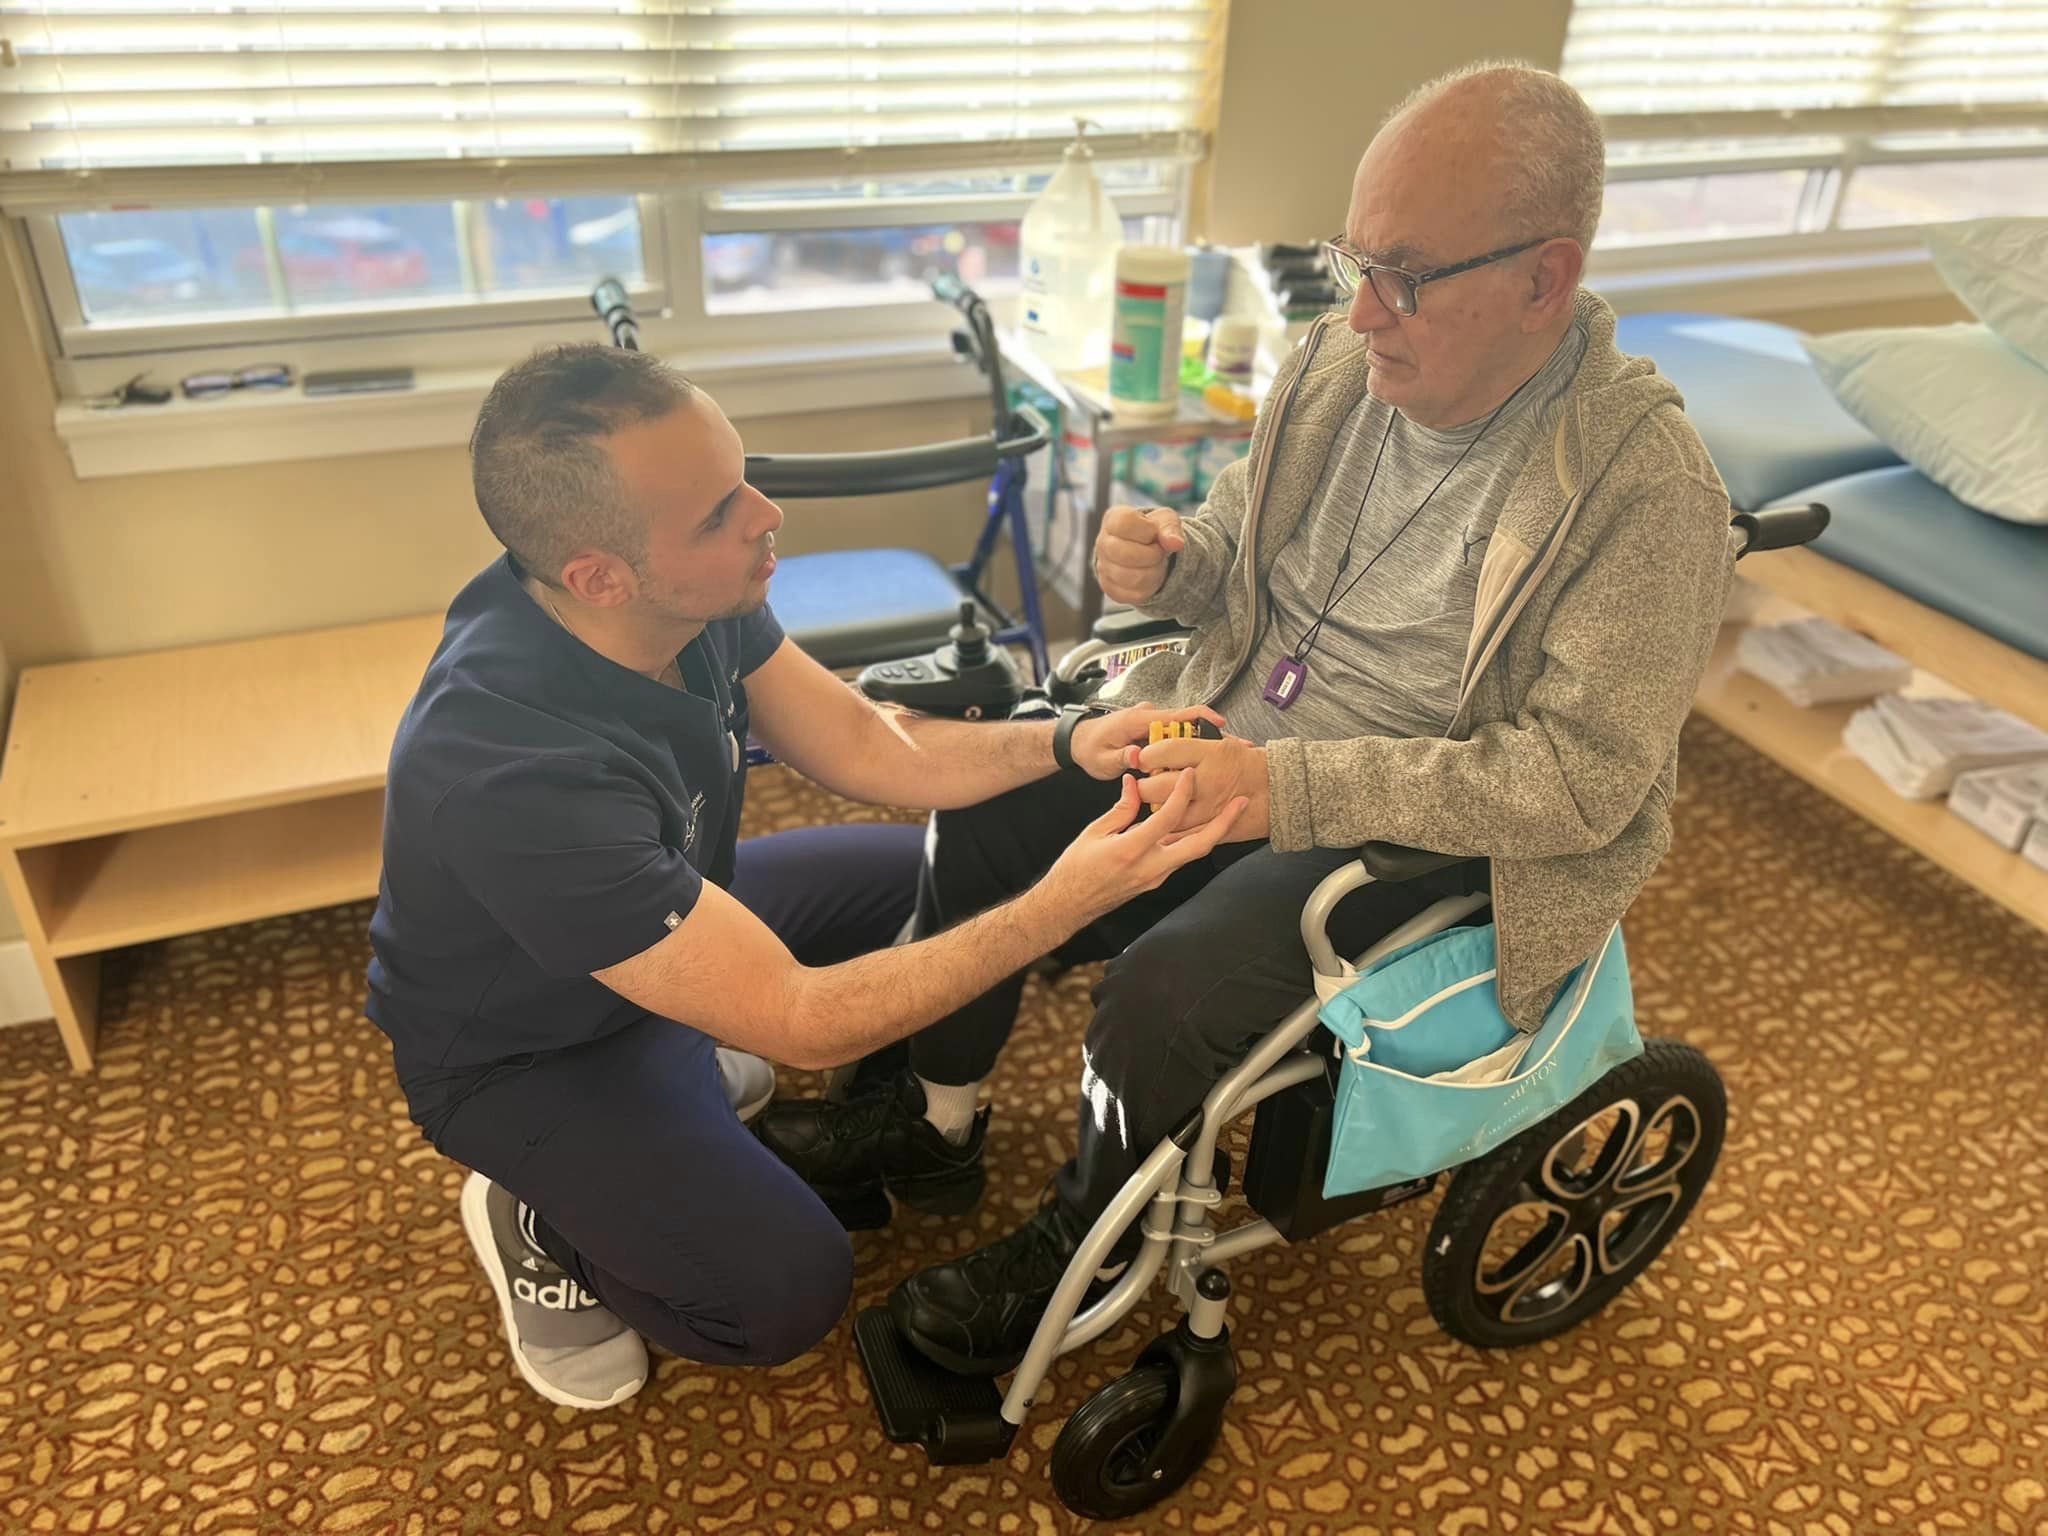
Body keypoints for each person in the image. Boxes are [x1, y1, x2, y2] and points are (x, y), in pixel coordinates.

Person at [754, 61, 1736, 1377]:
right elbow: (1242, 544)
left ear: (1544, 280)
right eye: (1354, 259)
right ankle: (936, 1131)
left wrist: (1294, 793)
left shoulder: (1639, 490)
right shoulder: (1339, 364)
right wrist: (1177, 563)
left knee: (1173, 991)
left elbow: (1582, 782)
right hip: (1226, 731)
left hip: (1411, 830)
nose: (1364, 309)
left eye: (1408, 274)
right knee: (983, 811)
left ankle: (1080, 1249)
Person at [364, 345, 1246, 1408]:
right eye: (718, 512)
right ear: (600, 574)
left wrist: (1069, 741)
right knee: (782, 1294)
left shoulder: (686, 595)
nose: (763, 515)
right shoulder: (505, 770)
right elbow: (803, 1019)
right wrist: (1062, 899)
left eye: (743, 478)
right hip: (530, 1049)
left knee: (932, 867)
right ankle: (543, 1213)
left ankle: (677, 1074)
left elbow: (875, 748)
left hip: (673, 915)